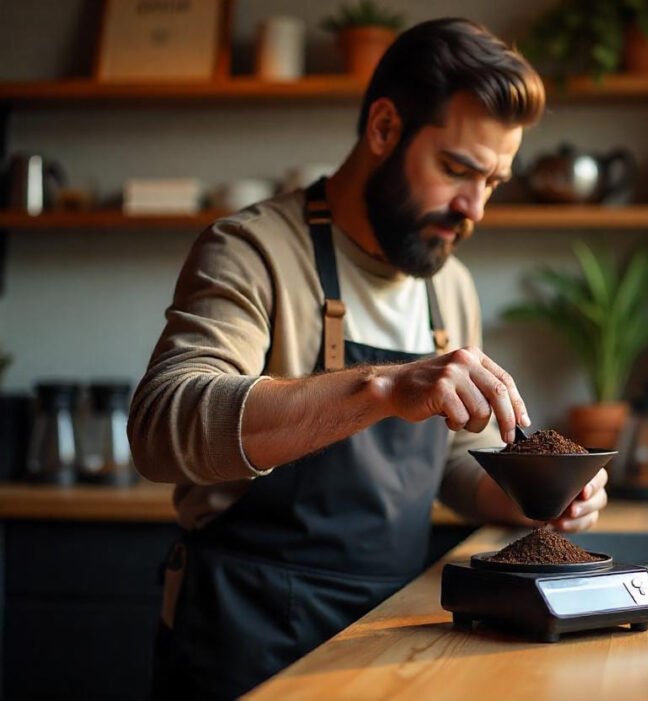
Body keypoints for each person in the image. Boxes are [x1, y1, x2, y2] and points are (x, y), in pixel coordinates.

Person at [128, 17, 609, 700]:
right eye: (457, 170)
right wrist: (383, 386)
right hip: (245, 638)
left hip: (393, 634)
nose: (473, 208)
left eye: (494, 182)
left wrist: (540, 499)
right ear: (384, 129)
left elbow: (452, 462)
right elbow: (158, 428)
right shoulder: (252, 250)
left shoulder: (449, 284)